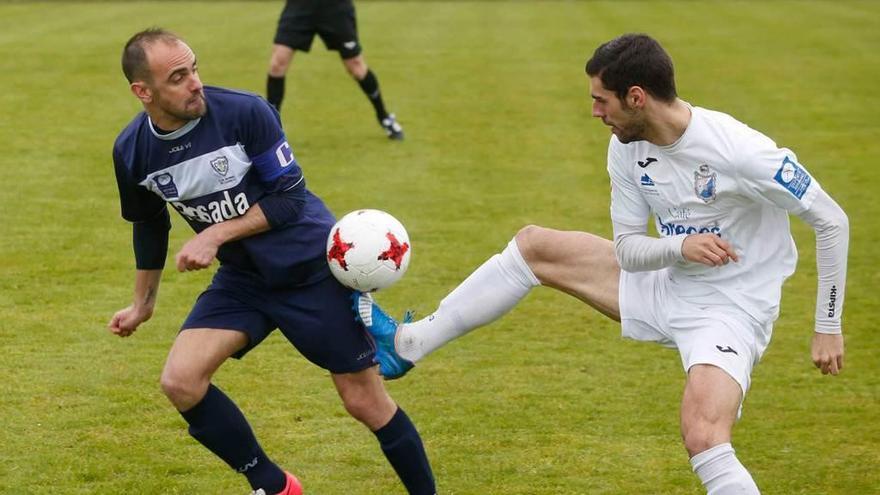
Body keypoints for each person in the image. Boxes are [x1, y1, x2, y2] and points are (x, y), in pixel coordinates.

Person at [356, 33, 848, 494]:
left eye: (601, 100)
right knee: (535, 246)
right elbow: (630, 249)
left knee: (703, 435)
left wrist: (827, 325)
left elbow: (831, 220)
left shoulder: (743, 152)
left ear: (636, 97)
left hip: (731, 308)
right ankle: (409, 345)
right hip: (663, 279)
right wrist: (680, 248)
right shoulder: (625, 147)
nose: (594, 112)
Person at [108, 28, 435, 495]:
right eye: (178, 77)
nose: (195, 82)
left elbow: (288, 197)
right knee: (181, 381)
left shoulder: (245, 112)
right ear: (144, 92)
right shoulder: (131, 151)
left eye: (194, 68)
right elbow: (148, 224)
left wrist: (216, 234)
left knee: (365, 402)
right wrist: (142, 303)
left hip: (312, 272)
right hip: (244, 280)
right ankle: (274, 484)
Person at [266, 0, 404, 140]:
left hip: (335, 7)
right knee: (278, 63)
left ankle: (384, 116)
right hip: (300, 7)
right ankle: (270, 129)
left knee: (356, 66)